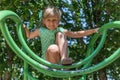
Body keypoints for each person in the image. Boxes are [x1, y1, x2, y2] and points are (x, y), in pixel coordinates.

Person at [23, 6, 99, 65]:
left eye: (54, 20)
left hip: (60, 59)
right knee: (53, 48)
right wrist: (25, 28)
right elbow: (29, 35)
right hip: (48, 59)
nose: (51, 23)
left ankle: (64, 59)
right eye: (48, 20)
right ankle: (57, 64)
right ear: (44, 21)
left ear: (58, 21)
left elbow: (77, 34)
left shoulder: (60, 30)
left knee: (60, 34)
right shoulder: (40, 31)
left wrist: (93, 31)